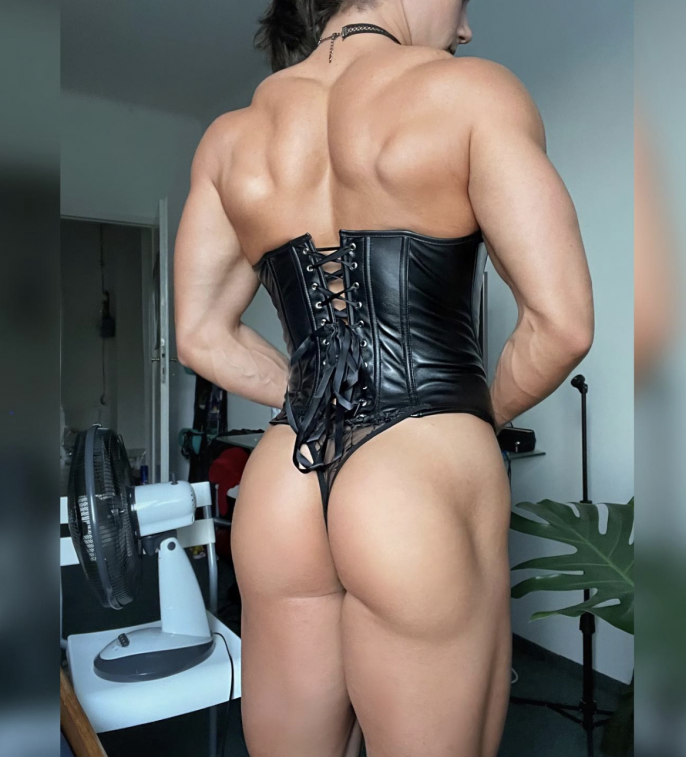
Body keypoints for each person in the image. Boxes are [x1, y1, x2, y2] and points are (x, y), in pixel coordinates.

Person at [173, 1, 594, 756]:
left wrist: (312, 394)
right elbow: (561, 325)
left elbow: (200, 334)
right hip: (418, 471)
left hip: (285, 476)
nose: (465, 29)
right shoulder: (473, 93)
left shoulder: (232, 138)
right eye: (463, 4)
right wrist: (465, 417)